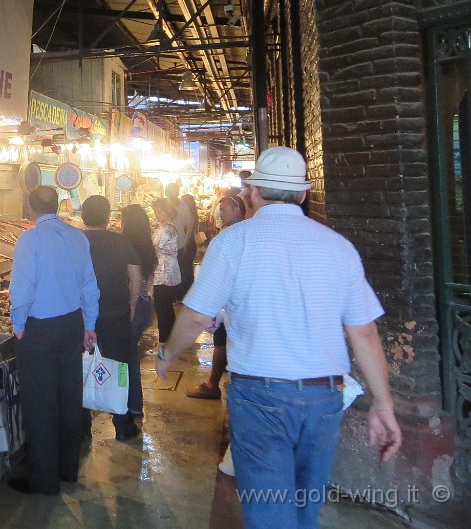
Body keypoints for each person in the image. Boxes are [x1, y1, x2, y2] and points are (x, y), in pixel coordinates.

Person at [156, 147, 402, 529]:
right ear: (303, 194)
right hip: (324, 398)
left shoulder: (233, 243)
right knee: (305, 510)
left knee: (270, 513)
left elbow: (199, 314)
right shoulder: (338, 247)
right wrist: (383, 405)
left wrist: (169, 354)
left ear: (253, 192)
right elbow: (365, 332)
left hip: (260, 399)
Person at [8, 185, 100, 495]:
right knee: (68, 397)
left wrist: (18, 324)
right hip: (71, 325)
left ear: (30, 207)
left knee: (40, 403)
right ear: (57, 208)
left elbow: (22, 287)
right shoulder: (77, 236)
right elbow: (90, 284)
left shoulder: (30, 239)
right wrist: (89, 324)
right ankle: (67, 471)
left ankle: (43, 481)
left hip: (39, 329)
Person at [81, 195, 143, 440]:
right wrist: (132, 304)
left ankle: (81, 427)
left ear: (84, 215)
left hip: (82, 315)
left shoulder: (76, 241)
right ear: (108, 217)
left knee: (81, 367)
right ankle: (123, 424)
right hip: (116, 313)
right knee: (119, 367)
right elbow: (136, 277)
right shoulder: (121, 241)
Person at [186, 194, 245, 401]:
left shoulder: (232, 235)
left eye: (225, 209)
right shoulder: (239, 232)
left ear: (238, 210)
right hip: (234, 300)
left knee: (221, 341)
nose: (220, 213)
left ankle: (213, 386)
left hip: (230, 301)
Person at [120, 203, 157, 417]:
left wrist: (131, 304)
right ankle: (131, 403)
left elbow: (132, 280)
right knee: (130, 354)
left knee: (128, 357)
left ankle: (131, 404)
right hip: (145, 304)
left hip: (132, 306)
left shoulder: (125, 246)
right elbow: (149, 279)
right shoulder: (147, 246)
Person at [149, 198, 182, 353]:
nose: (157, 215)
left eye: (159, 212)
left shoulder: (164, 229)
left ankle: (162, 344)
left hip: (163, 272)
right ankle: (170, 342)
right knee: (167, 308)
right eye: (155, 212)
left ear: (167, 212)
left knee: (162, 309)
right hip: (170, 271)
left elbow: (154, 249)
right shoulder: (169, 227)